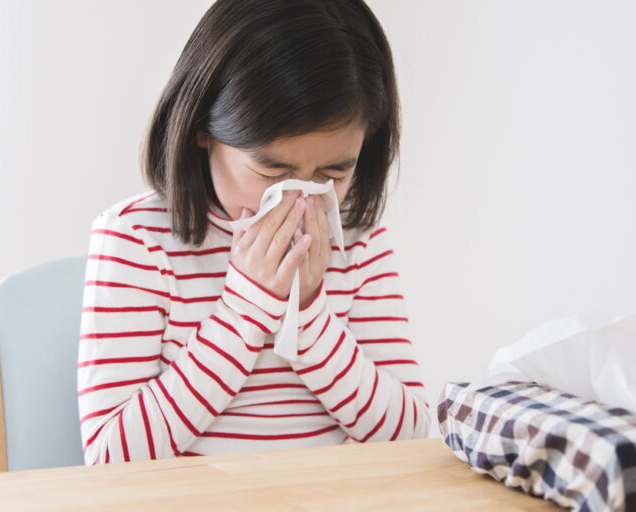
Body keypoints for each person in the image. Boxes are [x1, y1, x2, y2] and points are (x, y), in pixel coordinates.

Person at [78, 0, 430, 465]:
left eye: (332, 173)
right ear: (203, 130)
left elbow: (410, 438)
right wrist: (246, 308)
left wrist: (308, 315)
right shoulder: (137, 239)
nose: (300, 199)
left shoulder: (360, 241)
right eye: (271, 170)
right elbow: (110, 460)